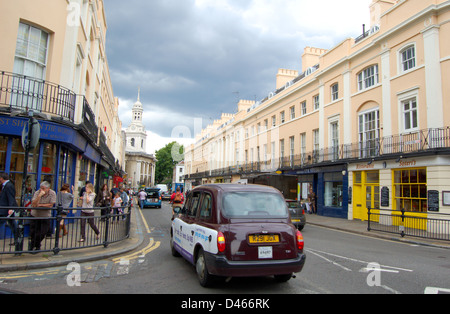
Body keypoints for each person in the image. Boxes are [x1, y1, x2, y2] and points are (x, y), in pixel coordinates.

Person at [30, 181, 56, 252]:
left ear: (48, 188)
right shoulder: (37, 192)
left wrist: (40, 205)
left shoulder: (52, 193)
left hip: (45, 216)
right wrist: (39, 196)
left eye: (43, 188)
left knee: (42, 232)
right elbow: (34, 204)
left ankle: (34, 244)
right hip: (35, 215)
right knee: (33, 232)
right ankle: (35, 246)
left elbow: (50, 205)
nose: (42, 190)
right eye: (41, 188)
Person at [0, 173, 18, 246]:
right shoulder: (5, 186)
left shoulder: (9, 186)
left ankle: (18, 240)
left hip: (6, 210)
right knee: (13, 225)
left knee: (12, 225)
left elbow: (11, 197)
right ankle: (18, 240)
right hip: (6, 209)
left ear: (1, 178)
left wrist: (10, 208)